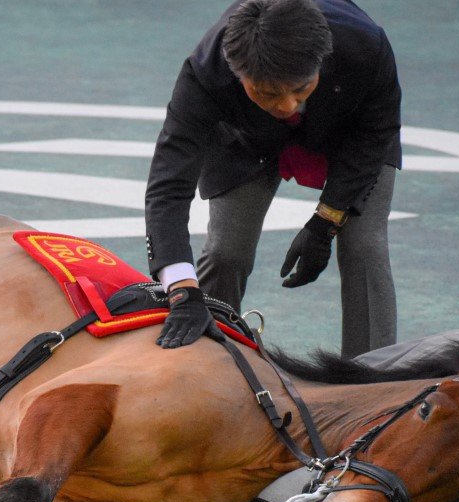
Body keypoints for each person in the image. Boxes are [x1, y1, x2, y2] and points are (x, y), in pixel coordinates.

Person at [146, 0, 401, 357]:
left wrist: (326, 220)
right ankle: (209, 361)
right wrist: (182, 290)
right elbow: (168, 183)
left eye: (301, 88)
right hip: (245, 139)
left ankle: (374, 376)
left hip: (349, 132)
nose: (286, 106)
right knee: (225, 252)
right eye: (266, 93)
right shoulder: (206, 73)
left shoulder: (366, 46)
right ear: (237, 73)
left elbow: (377, 134)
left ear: (321, 63)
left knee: (364, 247)